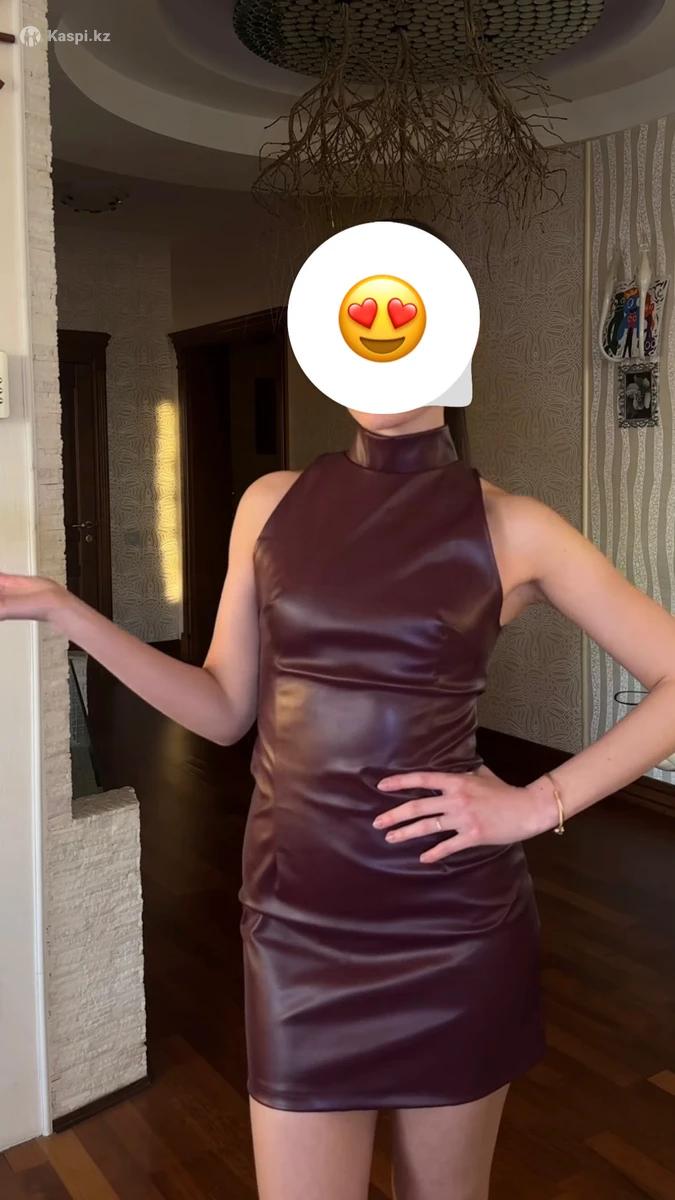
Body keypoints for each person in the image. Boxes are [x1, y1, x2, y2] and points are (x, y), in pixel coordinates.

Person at [3, 395, 675, 1200]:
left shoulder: (514, 526)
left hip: (451, 932)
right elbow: (223, 709)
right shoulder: (270, 504)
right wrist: (64, 611)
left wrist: (540, 801)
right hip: (297, 931)